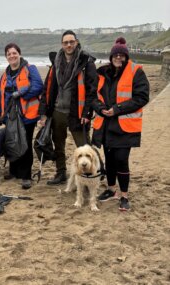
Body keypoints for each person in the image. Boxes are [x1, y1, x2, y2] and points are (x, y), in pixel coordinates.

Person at [92, 37, 149, 211]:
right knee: (109, 159)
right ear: (111, 57)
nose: (118, 58)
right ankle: (111, 190)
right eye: (115, 55)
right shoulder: (102, 73)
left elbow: (142, 97)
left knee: (121, 160)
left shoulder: (136, 71)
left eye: (121, 55)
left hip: (125, 125)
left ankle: (124, 196)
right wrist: (101, 109)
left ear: (126, 56)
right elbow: (92, 97)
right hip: (106, 124)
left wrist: (117, 109)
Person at [38, 30, 97, 185]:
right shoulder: (55, 62)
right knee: (58, 144)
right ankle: (61, 172)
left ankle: (90, 175)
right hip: (57, 111)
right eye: (66, 43)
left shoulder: (86, 62)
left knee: (84, 146)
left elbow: (92, 90)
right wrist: (43, 113)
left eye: (71, 42)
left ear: (76, 42)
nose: (69, 45)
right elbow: (47, 88)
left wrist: (87, 112)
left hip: (77, 112)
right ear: (62, 44)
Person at [0, 43, 43, 189]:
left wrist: (21, 94)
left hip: (27, 114)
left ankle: (26, 176)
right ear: (6, 57)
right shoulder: (5, 75)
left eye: (14, 53)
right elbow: (0, 95)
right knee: (12, 142)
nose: (12, 56)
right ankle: (14, 170)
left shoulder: (30, 69)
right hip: (10, 115)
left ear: (19, 54)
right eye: (9, 54)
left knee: (25, 143)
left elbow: (38, 86)